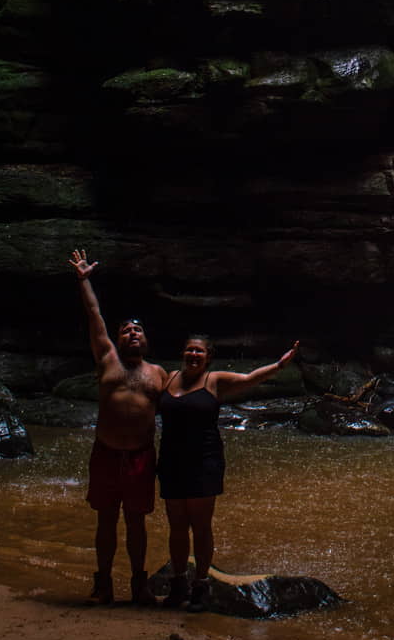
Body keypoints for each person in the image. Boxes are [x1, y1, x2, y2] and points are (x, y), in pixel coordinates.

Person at [158, 332, 300, 610]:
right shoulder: (169, 377)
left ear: (208, 357)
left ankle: (200, 585)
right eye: (190, 350)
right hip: (171, 459)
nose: (194, 355)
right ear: (183, 353)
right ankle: (177, 584)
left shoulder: (214, 380)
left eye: (199, 351)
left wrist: (280, 365)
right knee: (176, 525)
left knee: (200, 525)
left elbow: (249, 380)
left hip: (204, 460)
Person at [69, 248, 167, 606]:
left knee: (137, 523)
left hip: (141, 458)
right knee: (106, 521)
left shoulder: (159, 374)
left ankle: (139, 583)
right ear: (118, 339)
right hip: (107, 454)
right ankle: (104, 582)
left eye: (138, 330)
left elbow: (185, 398)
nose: (132, 333)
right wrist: (84, 280)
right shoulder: (107, 360)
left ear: (146, 339)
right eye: (126, 330)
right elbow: (94, 314)